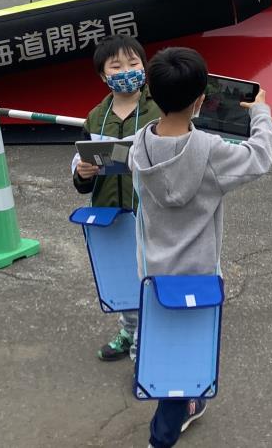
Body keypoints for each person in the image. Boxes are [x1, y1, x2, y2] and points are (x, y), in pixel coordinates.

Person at [130, 47, 272, 448]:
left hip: (152, 273)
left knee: (168, 345)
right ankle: (161, 437)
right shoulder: (210, 150)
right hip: (198, 276)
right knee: (184, 360)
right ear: (200, 100)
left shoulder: (139, 144)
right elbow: (259, 157)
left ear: (151, 93)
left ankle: (189, 405)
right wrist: (260, 113)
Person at [72, 34, 160, 361]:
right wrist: (82, 173)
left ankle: (147, 342)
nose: (126, 71)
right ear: (103, 75)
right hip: (111, 213)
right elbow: (81, 171)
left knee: (150, 278)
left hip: (151, 214)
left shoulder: (161, 109)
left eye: (133, 63)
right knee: (122, 277)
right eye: (116, 66)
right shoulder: (96, 117)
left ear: (144, 67)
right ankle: (128, 330)